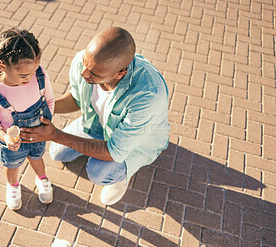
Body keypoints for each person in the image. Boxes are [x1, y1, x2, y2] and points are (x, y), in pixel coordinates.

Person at [21, 27, 170, 206]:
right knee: (57, 153)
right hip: (98, 124)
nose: (84, 73)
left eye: (94, 74)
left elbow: (114, 151)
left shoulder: (148, 95)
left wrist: (56, 135)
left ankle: (123, 175)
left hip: (136, 144)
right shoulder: (85, 62)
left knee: (98, 173)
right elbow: (77, 98)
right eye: (85, 64)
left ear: (120, 73)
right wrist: (44, 107)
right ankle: (92, 145)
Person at [0, 27, 55, 210]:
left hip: (38, 133)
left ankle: (42, 178)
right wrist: (4, 137)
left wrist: (47, 123)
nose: (30, 78)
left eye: (34, 70)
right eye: (23, 75)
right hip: (12, 140)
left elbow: (49, 99)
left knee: (37, 156)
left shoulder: (40, 74)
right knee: (12, 164)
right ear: (2, 66)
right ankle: (13, 185)